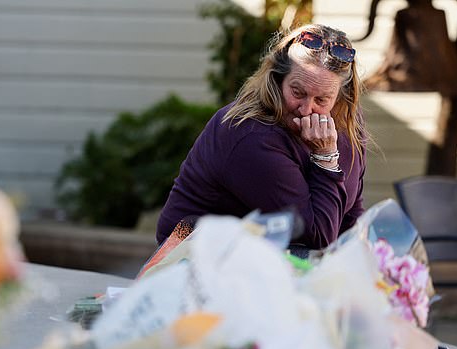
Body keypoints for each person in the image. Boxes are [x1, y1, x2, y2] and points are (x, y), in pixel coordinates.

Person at [156, 23, 367, 253]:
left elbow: (350, 210)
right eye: (297, 92)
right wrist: (326, 158)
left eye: (322, 100)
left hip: (261, 258)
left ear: (341, 97)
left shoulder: (345, 123)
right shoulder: (252, 134)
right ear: (277, 79)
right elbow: (315, 239)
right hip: (193, 260)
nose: (307, 109)